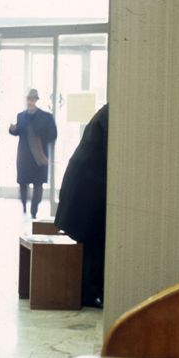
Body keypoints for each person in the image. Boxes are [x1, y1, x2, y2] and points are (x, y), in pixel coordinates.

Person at [54, 104, 109, 308]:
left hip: (85, 184)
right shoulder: (113, 115)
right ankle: (89, 293)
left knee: (92, 242)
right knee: (93, 241)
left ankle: (91, 291)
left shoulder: (107, 112)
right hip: (88, 187)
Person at [9, 89, 58, 218]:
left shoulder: (46, 117)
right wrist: (12, 129)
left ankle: (34, 210)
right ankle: (24, 205)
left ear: (36, 100)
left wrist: (41, 137)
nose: (30, 102)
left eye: (32, 99)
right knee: (23, 182)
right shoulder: (21, 116)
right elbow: (17, 131)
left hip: (39, 155)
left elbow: (53, 134)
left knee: (38, 183)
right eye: (28, 99)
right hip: (24, 155)